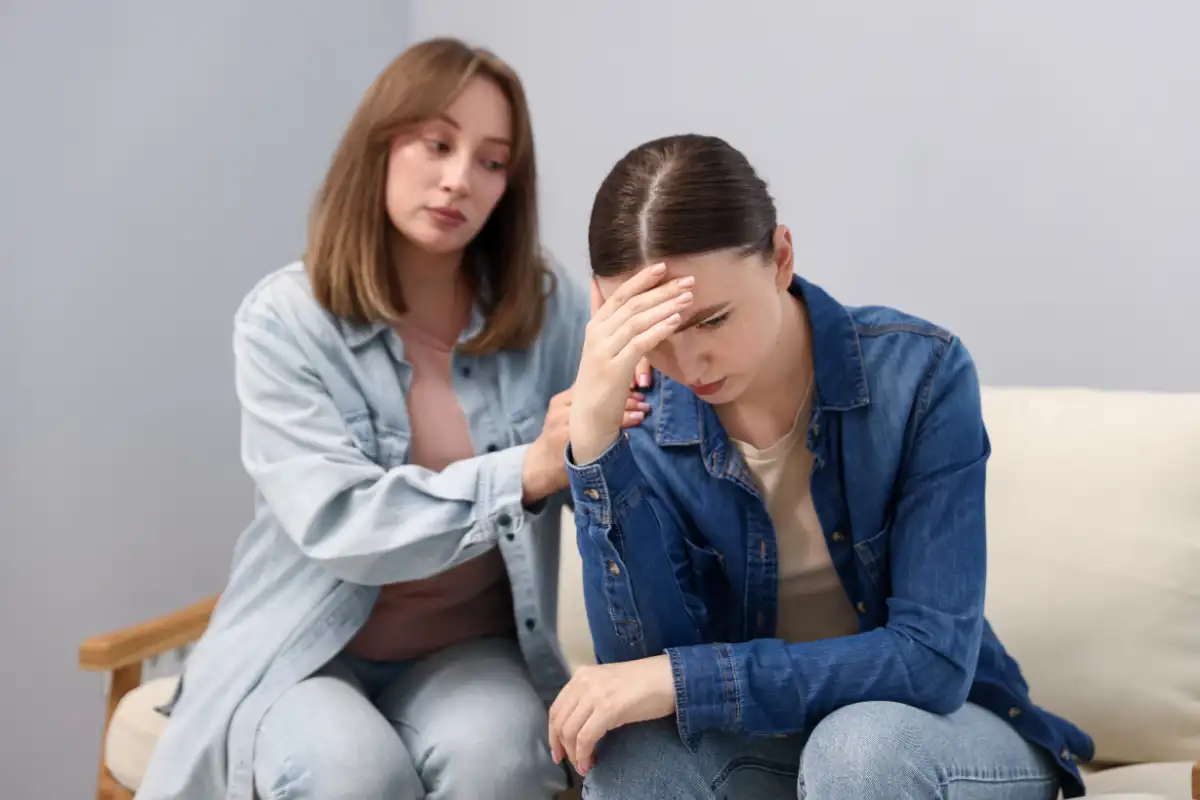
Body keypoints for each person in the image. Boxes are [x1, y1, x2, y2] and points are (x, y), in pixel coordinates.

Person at [135, 38, 650, 799]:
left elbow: (623, 435)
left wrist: (640, 366)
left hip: (468, 651)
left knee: (503, 759)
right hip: (304, 650)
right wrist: (529, 469)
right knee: (352, 773)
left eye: (492, 160)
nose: (458, 180)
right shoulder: (284, 321)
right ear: (379, 146)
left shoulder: (547, 308)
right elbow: (339, 522)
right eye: (437, 144)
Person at [547, 133, 1095, 800]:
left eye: (713, 320)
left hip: (934, 735)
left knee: (858, 753)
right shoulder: (636, 419)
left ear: (781, 258)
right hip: (769, 746)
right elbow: (640, 677)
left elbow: (932, 661)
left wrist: (686, 680)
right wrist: (596, 445)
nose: (689, 367)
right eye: (655, 334)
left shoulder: (922, 376)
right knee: (633, 759)